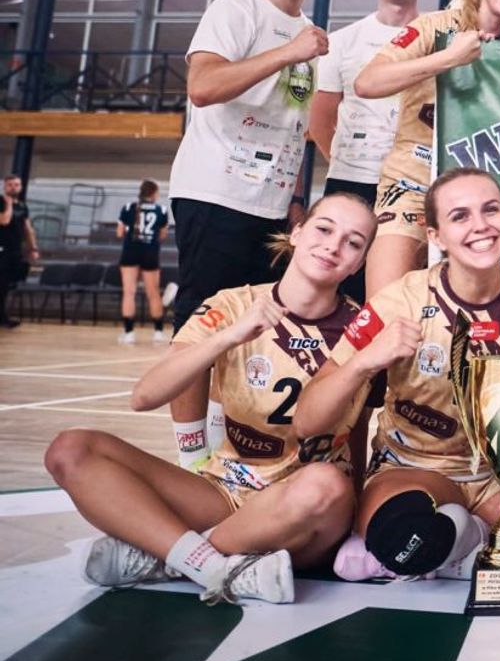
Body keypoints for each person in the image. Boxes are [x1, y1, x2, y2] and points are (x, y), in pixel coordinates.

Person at [294, 168, 500, 585]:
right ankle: (465, 537)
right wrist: (365, 361)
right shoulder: (400, 300)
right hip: (416, 467)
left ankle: (466, 546)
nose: (480, 225)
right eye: (460, 216)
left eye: (490, 210)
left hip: (498, 475)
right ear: (436, 236)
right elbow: (307, 422)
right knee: (404, 536)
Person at [43, 193, 378, 605]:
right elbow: (144, 396)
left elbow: (358, 428)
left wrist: (356, 521)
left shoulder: (363, 330)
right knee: (71, 450)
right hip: (225, 492)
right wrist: (229, 337)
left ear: (360, 263)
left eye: (353, 242)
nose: (333, 246)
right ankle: (216, 565)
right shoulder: (232, 304)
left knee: (324, 484)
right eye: (324, 229)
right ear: (296, 232)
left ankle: (173, 556)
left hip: (303, 510)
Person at [172, 0, 334, 470]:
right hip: (215, 193)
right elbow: (202, 86)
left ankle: (224, 455)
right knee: (201, 326)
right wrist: (289, 52)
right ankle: (192, 459)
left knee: (250, 332)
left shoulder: (306, 35)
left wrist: (296, 202)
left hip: (271, 206)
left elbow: (294, 127)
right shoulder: (236, 9)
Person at [353, 0, 500, 299]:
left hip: (471, 201)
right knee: (385, 308)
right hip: (411, 185)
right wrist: (449, 58)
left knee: (461, 315)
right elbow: (367, 83)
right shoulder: (435, 26)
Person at [312, 0, 429, 305]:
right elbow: (320, 120)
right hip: (352, 182)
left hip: (413, 187)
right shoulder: (343, 41)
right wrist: (351, 165)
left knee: (400, 296)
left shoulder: (437, 42)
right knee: (339, 294)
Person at [117, 179, 171, 344]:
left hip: (130, 252)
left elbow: (119, 233)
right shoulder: (162, 210)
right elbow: (162, 235)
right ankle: (158, 332)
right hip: (150, 253)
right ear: (154, 193)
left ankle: (129, 333)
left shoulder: (128, 207)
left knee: (129, 292)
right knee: (153, 293)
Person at [0, 173, 40, 328]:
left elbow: (28, 229)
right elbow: (4, 221)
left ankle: (2, 317)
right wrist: (9, 204)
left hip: (15, 249)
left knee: (6, 284)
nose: (13, 188)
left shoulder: (23, 206)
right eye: (10, 185)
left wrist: (33, 247)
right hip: (1, 248)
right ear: (4, 186)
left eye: (16, 185)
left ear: (21, 187)